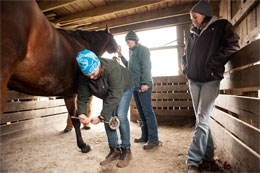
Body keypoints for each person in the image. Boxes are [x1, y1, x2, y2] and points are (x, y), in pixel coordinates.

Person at [182, 1, 240, 172]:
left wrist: (213, 63)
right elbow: (185, 55)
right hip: (193, 81)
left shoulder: (221, 26)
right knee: (202, 121)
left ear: (205, 14)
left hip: (210, 80)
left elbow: (233, 44)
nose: (192, 20)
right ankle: (208, 158)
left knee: (201, 119)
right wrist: (186, 68)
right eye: (191, 18)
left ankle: (192, 160)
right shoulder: (192, 34)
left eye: (195, 17)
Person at [74, 49, 133, 168]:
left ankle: (126, 150)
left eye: (93, 73)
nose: (91, 76)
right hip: (106, 91)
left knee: (120, 116)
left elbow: (116, 94)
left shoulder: (112, 69)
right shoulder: (85, 77)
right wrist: (82, 114)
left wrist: (101, 117)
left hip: (124, 87)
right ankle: (114, 150)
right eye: (88, 74)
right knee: (108, 118)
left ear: (98, 64)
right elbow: (82, 97)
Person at [117, 31, 161, 150]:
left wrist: (145, 83)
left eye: (129, 41)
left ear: (135, 40)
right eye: (126, 42)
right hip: (136, 87)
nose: (127, 44)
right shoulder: (133, 52)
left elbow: (147, 67)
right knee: (141, 112)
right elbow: (130, 67)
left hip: (144, 86)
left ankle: (154, 139)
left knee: (147, 111)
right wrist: (121, 57)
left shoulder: (143, 50)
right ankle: (145, 136)